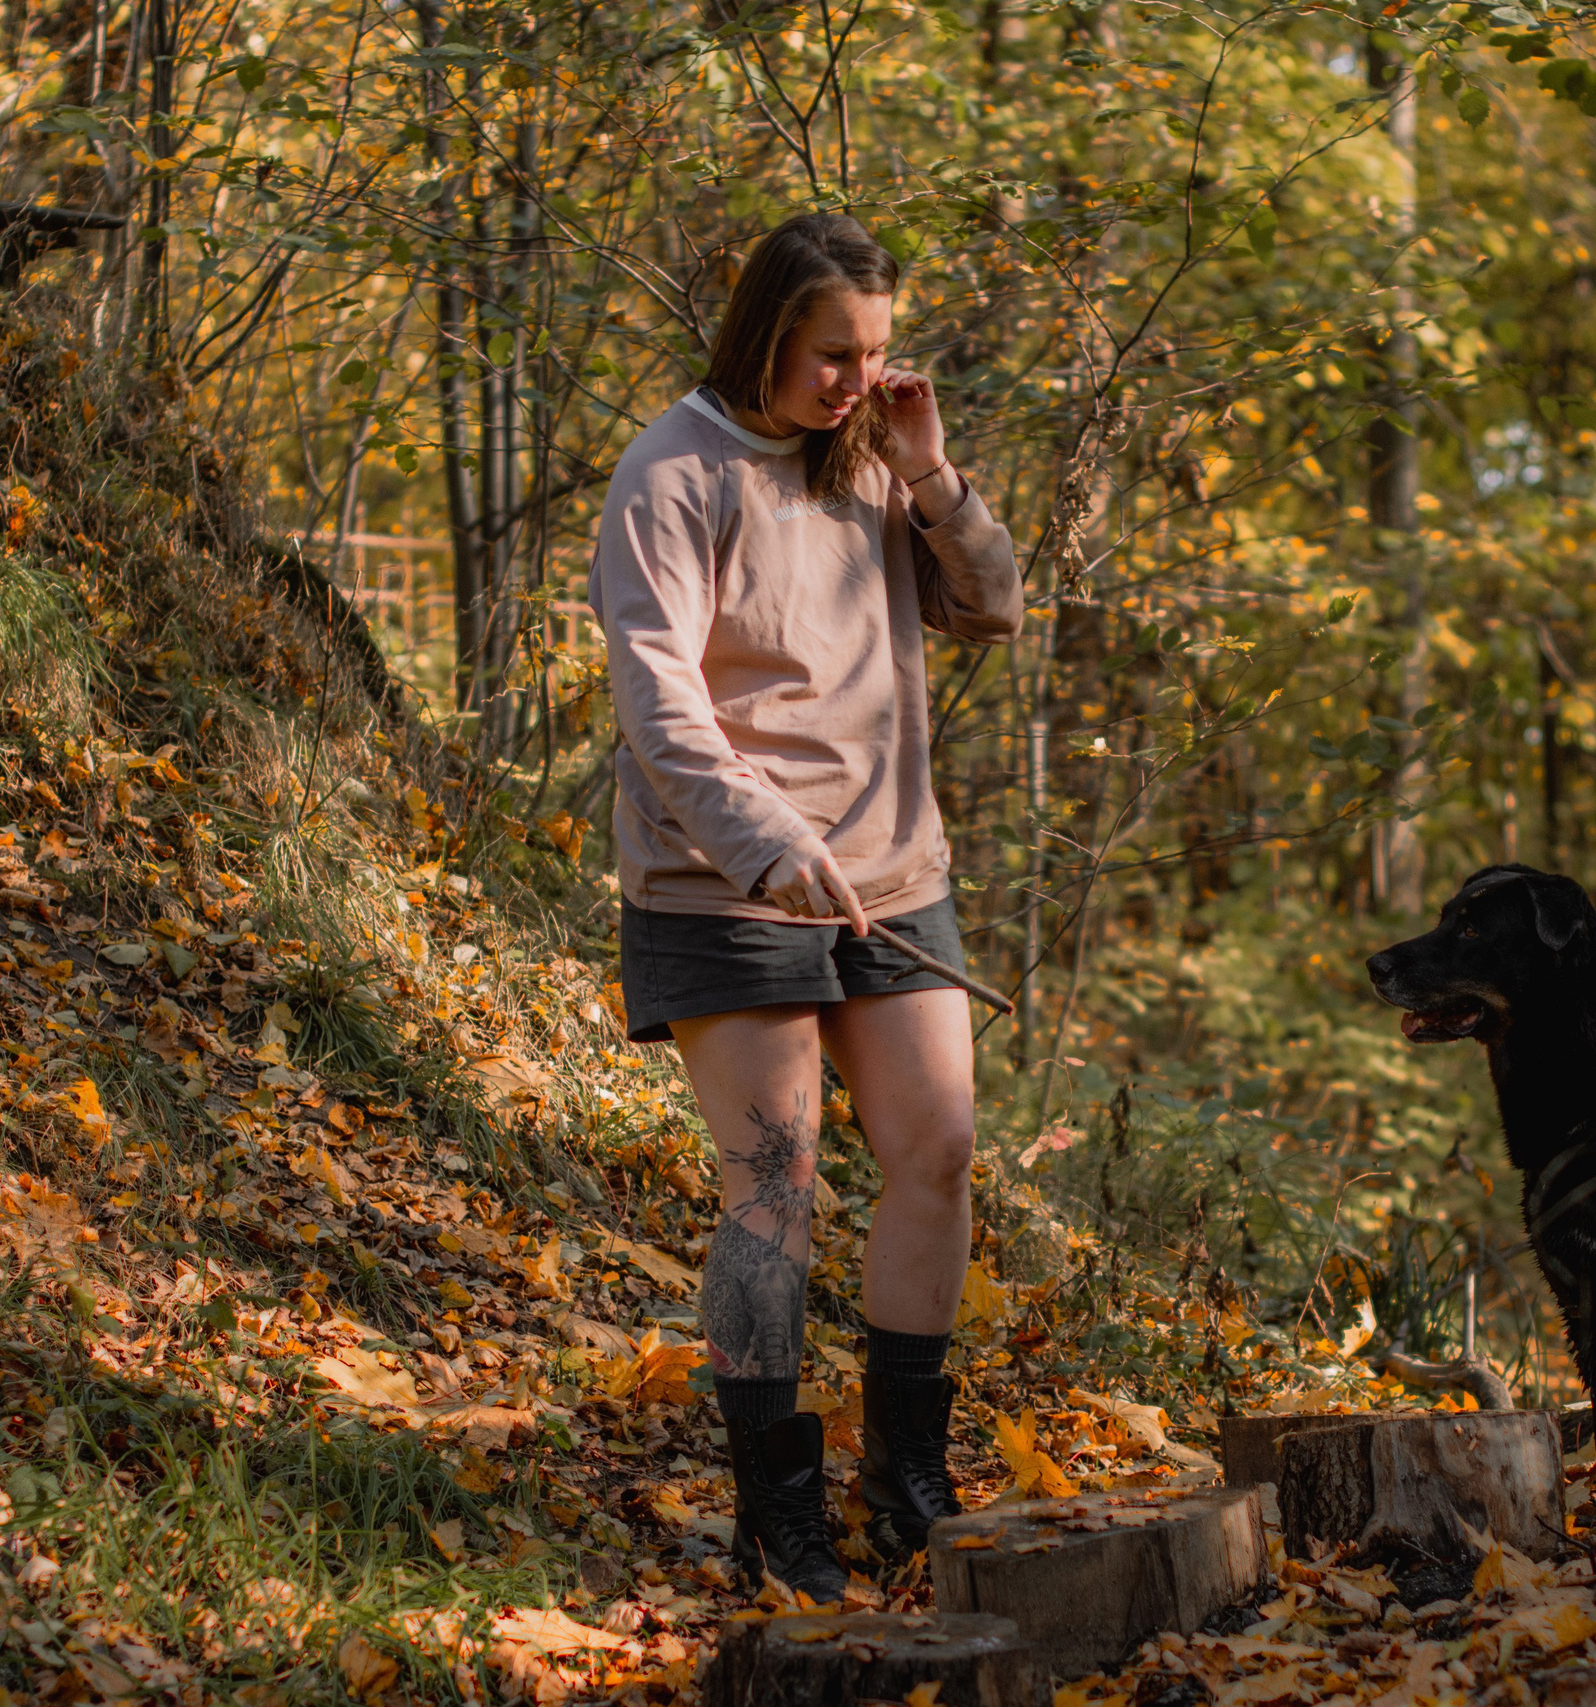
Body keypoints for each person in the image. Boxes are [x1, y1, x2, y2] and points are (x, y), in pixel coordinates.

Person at [590, 212, 1024, 1600]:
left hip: (894, 873)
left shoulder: (872, 461)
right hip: (725, 882)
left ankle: (905, 1478)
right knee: (775, 1186)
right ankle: (777, 1508)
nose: (858, 380)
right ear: (768, 333)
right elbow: (659, 698)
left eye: (877, 353)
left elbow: (993, 607)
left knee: (938, 1151)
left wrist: (933, 470)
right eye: (834, 353)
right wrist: (766, 842)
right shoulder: (672, 471)